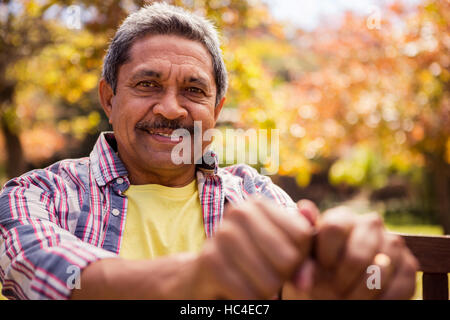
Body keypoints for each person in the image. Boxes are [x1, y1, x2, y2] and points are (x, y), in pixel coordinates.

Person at [0, 3, 418, 300]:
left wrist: (343, 279)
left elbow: (301, 284)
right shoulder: (38, 193)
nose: (170, 108)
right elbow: (43, 270)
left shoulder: (253, 192)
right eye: (147, 84)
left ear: (216, 111)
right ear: (109, 99)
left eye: (194, 91)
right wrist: (197, 279)